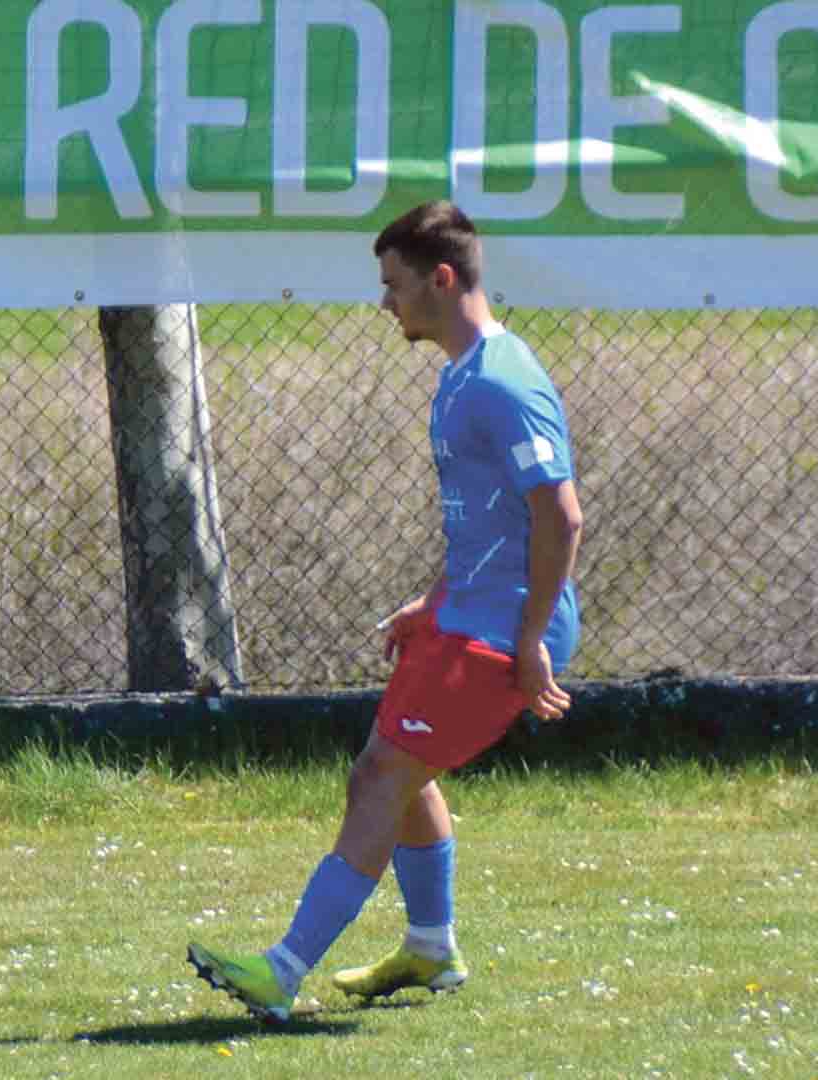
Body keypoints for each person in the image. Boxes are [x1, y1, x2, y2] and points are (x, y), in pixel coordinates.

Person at [186, 200, 584, 1022]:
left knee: (381, 774)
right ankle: (431, 947)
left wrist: (533, 636)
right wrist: (432, 602)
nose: (384, 303)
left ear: (442, 279)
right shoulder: (460, 377)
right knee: (398, 770)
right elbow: (492, 520)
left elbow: (560, 515)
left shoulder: (504, 383)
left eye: (394, 285)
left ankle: (282, 971)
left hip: (500, 631)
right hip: (468, 614)